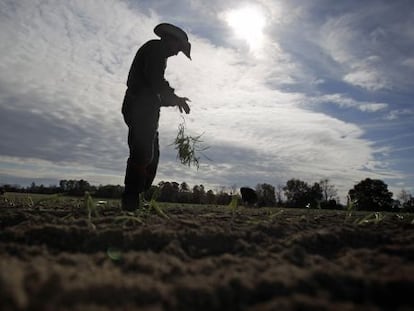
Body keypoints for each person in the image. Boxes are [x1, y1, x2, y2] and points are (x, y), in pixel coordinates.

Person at [121, 23, 192, 211]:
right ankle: (131, 198)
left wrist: (174, 100)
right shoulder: (155, 49)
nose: (178, 53)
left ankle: (138, 195)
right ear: (171, 39)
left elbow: (155, 92)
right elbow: (155, 81)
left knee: (152, 155)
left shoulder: (158, 53)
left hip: (147, 108)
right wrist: (174, 97)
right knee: (143, 151)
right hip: (138, 106)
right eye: (179, 48)